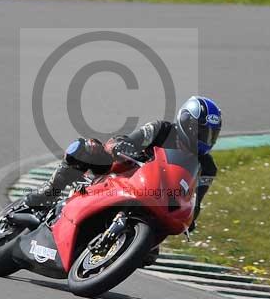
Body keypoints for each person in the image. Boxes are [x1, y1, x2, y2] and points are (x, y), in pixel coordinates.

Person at [23, 95, 221, 234]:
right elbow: (131, 140)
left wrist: (191, 217)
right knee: (86, 148)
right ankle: (49, 191)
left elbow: (196, 199)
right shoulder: (162, 130)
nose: (204, 138)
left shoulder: (207, 166)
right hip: (127, 174)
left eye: (211, 134)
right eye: (201, 132)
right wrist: (121, 145)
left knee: (150, 254)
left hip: (156, 198)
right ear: (186, 122)